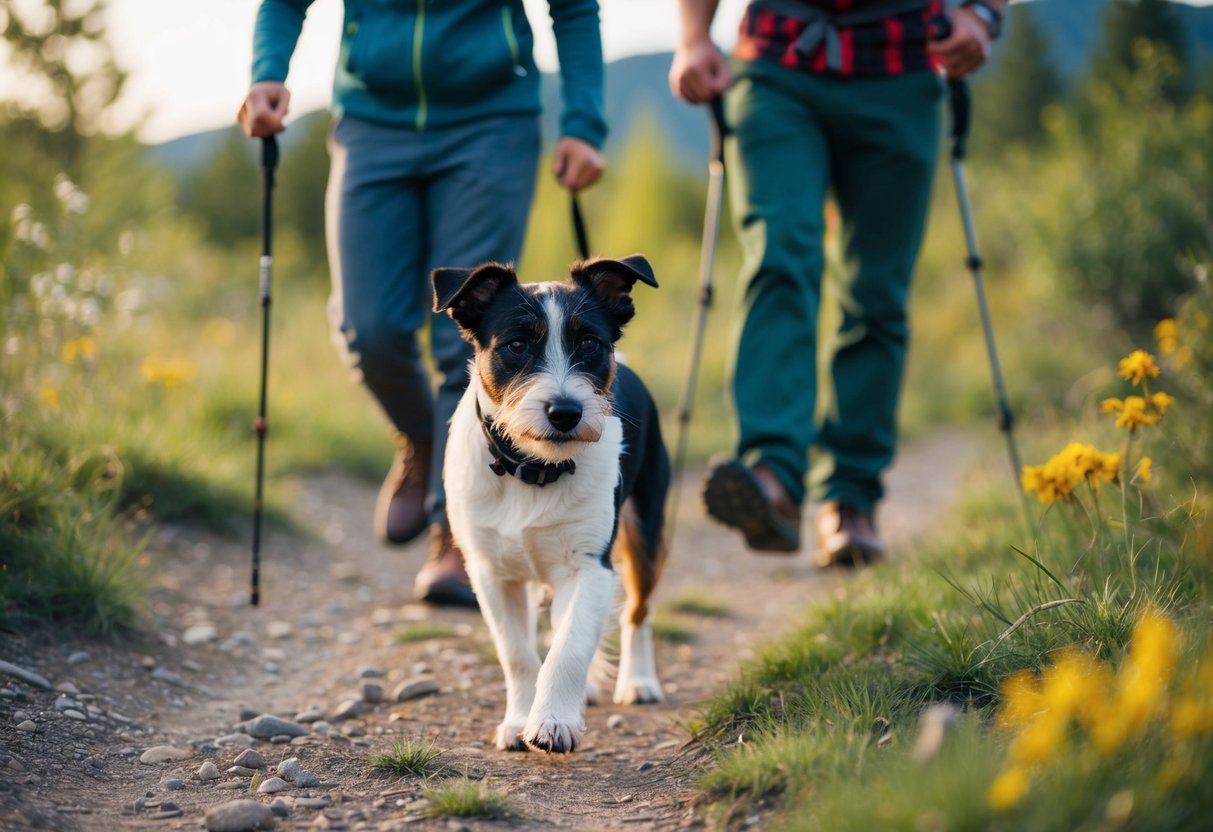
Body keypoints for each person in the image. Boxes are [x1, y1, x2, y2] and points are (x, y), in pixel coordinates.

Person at [239, 0, 607, 606]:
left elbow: (573, 8)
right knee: (369, 328)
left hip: (491, 121)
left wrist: (583, 122)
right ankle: (425, 440)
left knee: (460, 338)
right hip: (371, 120)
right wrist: (266, 71)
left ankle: (457, 538)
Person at [669, 0, 1004, 565]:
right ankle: (773, 475)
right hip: (777, 64)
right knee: (780, 254)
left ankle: (851, 498)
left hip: (902, 67)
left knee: (876, 292)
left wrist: (982, 15)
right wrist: (694, 37)